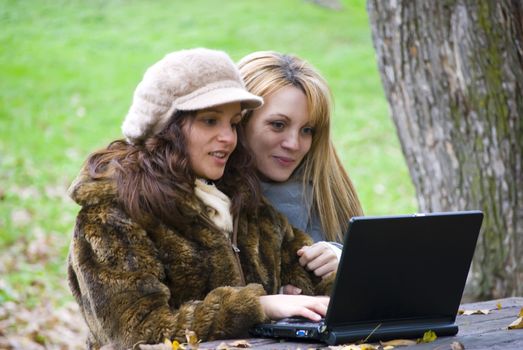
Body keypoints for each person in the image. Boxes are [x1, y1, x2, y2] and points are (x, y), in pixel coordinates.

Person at [67, 48, 332, 349]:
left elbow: (306, 275)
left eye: (233, 123)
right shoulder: (113, 211)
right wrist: (260, 306)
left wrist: (332, 273)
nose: (228, 138)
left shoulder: (241, 199)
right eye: (209, 121)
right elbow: (135, 332)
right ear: (166, 126)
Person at [238, 51, 364, 283]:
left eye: (307, 130)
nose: (294, 144)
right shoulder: (203, 198)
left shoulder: (327, 196)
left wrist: (343, 261)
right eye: (278, 125)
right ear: (240, 121)